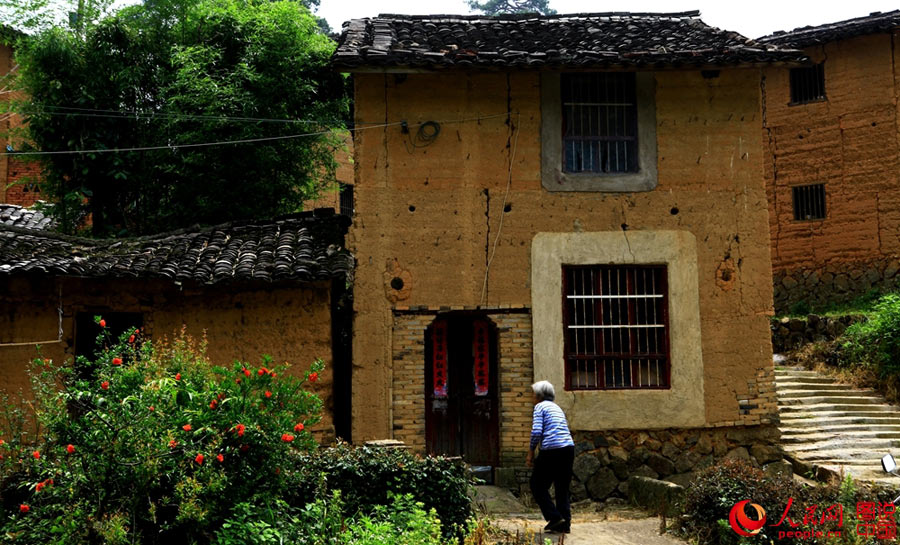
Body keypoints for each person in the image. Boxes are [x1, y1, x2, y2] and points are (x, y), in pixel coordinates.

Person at [526, 380, 574, 534]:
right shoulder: (557, 407)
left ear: (539, 396)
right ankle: (564, 523)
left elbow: (536, 432)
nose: (532, 397)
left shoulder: (539, 407)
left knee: (536, 485)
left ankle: (554, 518)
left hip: (552, 450)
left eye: (533, 394)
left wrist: (531, 451)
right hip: (568, 448)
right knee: (562, 487)